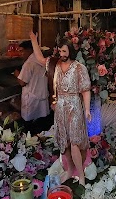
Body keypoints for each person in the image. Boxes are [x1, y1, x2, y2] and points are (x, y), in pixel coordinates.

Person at [29, 31, 90, 185]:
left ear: (70, 51)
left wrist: (87, 109)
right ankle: (69, 171)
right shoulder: (54, 65)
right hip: (60, 107)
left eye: (64, 51)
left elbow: (85, 90)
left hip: (74, 106)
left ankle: (81, 175)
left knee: (75, 142)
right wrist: (33, 40)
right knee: (64, 143)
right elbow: (40, 59)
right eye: (60, 51)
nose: (62, 54)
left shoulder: (79, 68)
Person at [14, 40, 52, 134]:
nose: (20, 54)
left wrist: (17, 74)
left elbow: (22, 82)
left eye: (22, 51)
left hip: (31, 99)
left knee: (29, 127)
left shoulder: (29, 63)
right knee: (42, 125)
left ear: (29, 50)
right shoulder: (42, 60)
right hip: (42, 96)